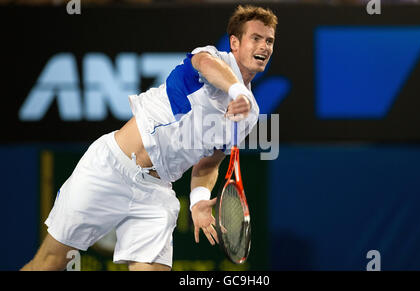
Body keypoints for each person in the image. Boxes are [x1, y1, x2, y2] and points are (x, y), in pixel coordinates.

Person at [21, 5, 277, 271]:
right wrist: (238, 92)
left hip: (155, 192)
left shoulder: (251, 113)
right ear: (234, 42)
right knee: (50, 262)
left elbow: (209, 162)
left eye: (269, 40)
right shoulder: (210, 58)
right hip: (112, 167)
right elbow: (205, 64)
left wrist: (199, 199)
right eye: (256, 38)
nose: (264, 46)